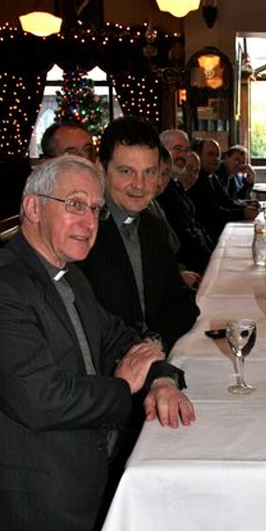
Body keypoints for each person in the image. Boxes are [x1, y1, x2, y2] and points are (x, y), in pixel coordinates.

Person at [0, 155, 194, 531]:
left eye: (96, 209)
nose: (90, 220)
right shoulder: (1, 286)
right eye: (74, 204)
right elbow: (44, 401)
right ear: (33, 208)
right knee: (168, 500)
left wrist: (158, 376)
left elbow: (119, 338)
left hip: (82, 443)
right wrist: (123, 386)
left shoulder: (65, 271)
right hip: (40, 482)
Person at [77, 116, 200, 354]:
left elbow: (183, 302)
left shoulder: (152, 227)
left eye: (149, 172)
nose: (140, 185)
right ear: (102, 170)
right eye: (126, 171)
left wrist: (155, 340)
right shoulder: (82, 232)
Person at [158, 130, 216, 274]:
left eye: (186, 150)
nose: (182, 155)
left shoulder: (176, 187)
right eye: (177, 149)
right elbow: (184, 243)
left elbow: (196, 230)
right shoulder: (162, 192)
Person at [188, 137, 258, 241]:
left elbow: (226, 201)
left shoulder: (212, 177)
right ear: (198, 156)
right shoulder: (196, 180)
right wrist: (243, 212)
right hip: (209, 236)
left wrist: (246, 205)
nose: (215, 159)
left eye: (217, 155)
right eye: (210, 154)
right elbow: (212, 214)